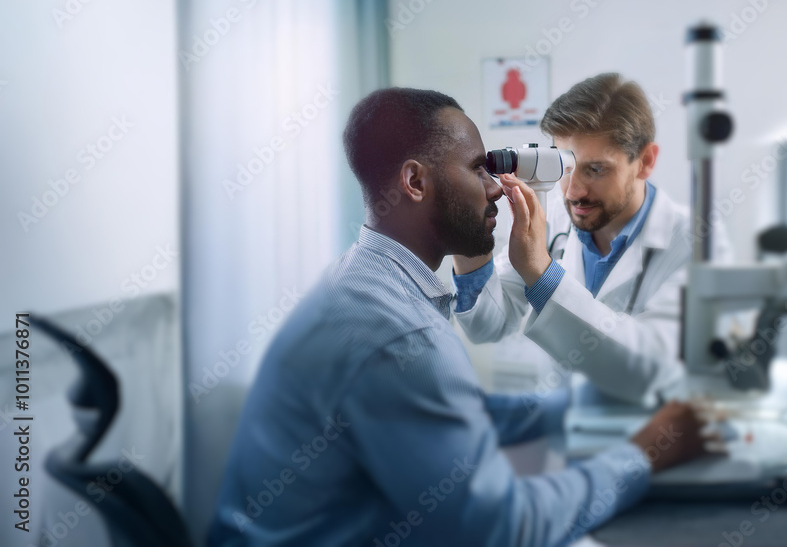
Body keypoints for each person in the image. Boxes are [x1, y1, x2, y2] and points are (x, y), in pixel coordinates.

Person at [207, 87, 713, 546]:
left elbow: (451, 405)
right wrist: (644, 454)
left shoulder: (363, 280)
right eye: (477, 169)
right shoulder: (401, 335)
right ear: (414, 181)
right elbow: (501, 528)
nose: (495, 186)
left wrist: (576, 412)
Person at [452, 73, 732, 405]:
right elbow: (486, 324)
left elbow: (651, 370)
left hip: (648, 439)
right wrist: (466, 232)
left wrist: (541, 275)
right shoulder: (556, 214)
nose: (574, 192)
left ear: (645, 161)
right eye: (566, 165)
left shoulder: (698, 242)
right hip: (562, 433)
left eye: (596, 170)